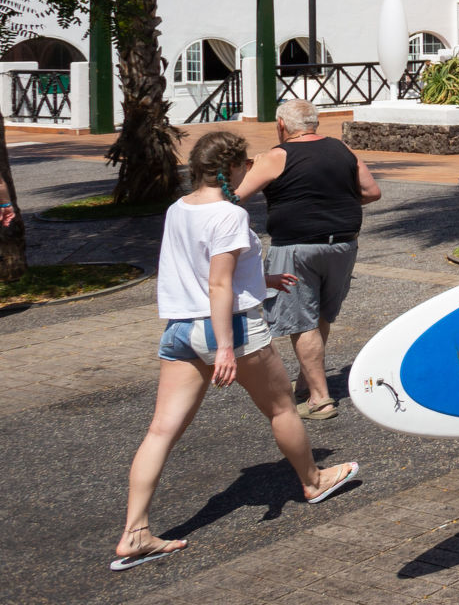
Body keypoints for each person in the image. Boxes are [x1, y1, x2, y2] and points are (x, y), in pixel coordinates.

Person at [114, 129, 358, 570]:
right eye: (245, 163)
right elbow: (218, 282)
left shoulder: (178, 209)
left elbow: (204, 268)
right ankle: (314, 479)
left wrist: (261, 280)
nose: (249, 168)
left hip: (181, 330)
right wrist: (226, 347)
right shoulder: (227, 214)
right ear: (232, 167)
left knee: (160, 432)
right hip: (231, 330)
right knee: (283, 408)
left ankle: (135, 532)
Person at [236, 99, 382, 418]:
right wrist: (335, 199)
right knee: (320, 316)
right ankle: (306, 381)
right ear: (315, 124)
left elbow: (237, 197)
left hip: (296, 248)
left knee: (302, 321)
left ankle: (319, 397)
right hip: (342, 245)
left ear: (282, 126)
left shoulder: (277, 156)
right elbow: (371, 192)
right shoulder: (343, 149)